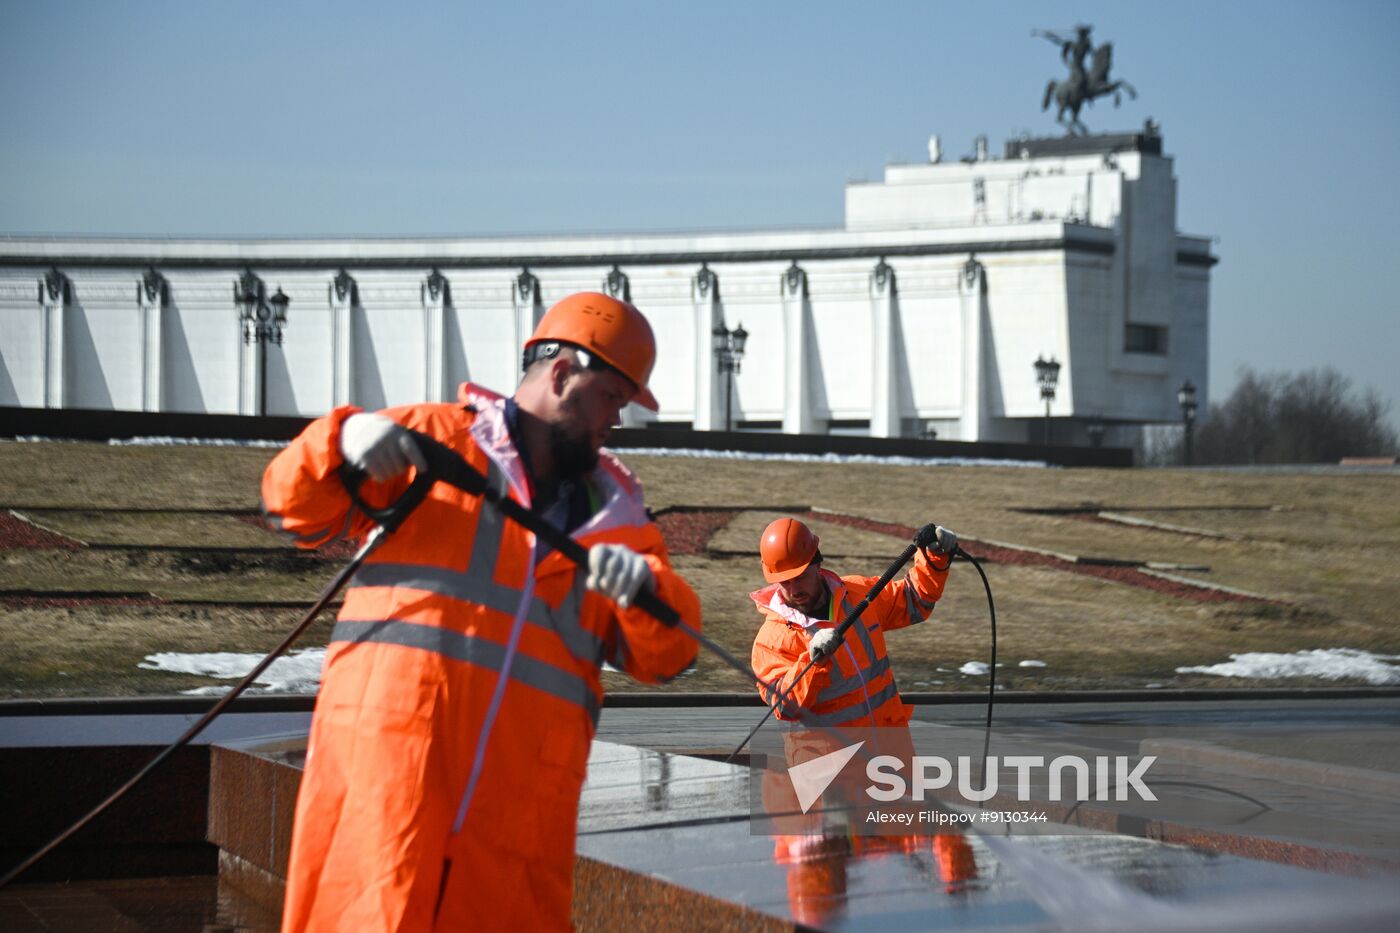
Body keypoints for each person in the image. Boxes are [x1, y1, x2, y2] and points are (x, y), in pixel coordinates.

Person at [263, 291, 702, 931]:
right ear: (562, 375)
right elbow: (294, 508)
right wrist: (338, 439)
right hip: (386, 807)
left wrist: (647, 590)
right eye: (612, 397)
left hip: (516, 837)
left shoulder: (621, 520)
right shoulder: (431, 440)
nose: (617, 419)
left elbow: (671, 654)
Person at [749, 517, 955, 728]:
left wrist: (935, 556)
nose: (794, 590)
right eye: (785, 582)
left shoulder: (858, 594)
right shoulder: (769, 641)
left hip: (890, 743)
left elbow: (914, 600)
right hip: (831, 750)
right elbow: (784, 707)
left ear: (817, 563)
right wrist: (812, 663)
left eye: (800, 577)